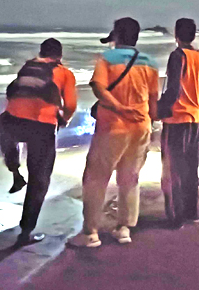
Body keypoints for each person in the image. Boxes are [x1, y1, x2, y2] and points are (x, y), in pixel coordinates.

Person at [68, 18, 159, 247]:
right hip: (141, 125)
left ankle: (90, 232)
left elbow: (98, 86)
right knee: (130, 178)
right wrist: (151, 122)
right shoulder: (150, 62)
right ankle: (124, 228)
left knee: (96, 178)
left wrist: (119, 107)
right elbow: (153, 98)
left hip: (113, 126)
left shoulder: (106, 59)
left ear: (116, 37)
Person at [0, 38, 76, 246]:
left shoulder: (27, 67)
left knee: (5, 127)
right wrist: (64, 119)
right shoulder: (65, 73)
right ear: (60, 56)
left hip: (11, 123)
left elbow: (13, 94)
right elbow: (71, 105)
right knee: (39, 179)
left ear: (40, 53)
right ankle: (26, 232)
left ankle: (15, 172)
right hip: (41, 127)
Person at [158, 18, 199, 227]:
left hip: (177, 117)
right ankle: (191, 212)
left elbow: (173, 88)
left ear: (176, 35)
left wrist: (158, 109)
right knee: (189, 167)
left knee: (172, 168)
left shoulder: (177, 56)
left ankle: (176, 217)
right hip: (195, 118)